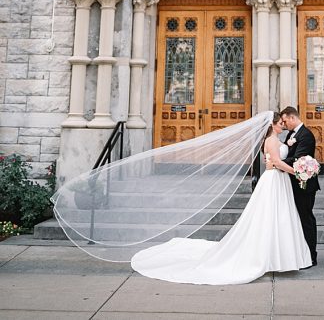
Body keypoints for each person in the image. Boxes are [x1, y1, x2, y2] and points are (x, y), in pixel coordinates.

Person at [130, 112, 312, 283]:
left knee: (279, 219)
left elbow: (275, 160)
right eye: (280, 123)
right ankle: (267, 257)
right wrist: (296, 172)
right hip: (274, 180)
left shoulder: (279, 139)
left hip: (280, 181)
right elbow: (277, 162)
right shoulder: (272, 141)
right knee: (268, 218)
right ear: (272, 125)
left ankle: (278, 257)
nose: (283, 126)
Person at [276, 105, 319, 266]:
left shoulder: (306, 135)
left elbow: (298, 158)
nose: (284, 124)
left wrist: (277, 162)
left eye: (285, 121)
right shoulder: (291, 134)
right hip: (292, 183)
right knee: (295, 219)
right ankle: (300, 254)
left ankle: (311, 255)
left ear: (292, 117)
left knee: (305, 218)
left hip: (304, 185)